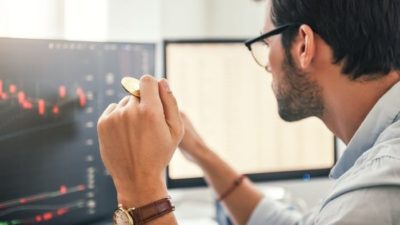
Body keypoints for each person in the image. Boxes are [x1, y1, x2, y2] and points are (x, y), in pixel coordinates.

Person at [97, 0, 400, 224]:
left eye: (266, 42)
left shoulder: (378, 189)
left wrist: (140, 186)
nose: (267, 62)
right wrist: (198, 151)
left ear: (304, 45)